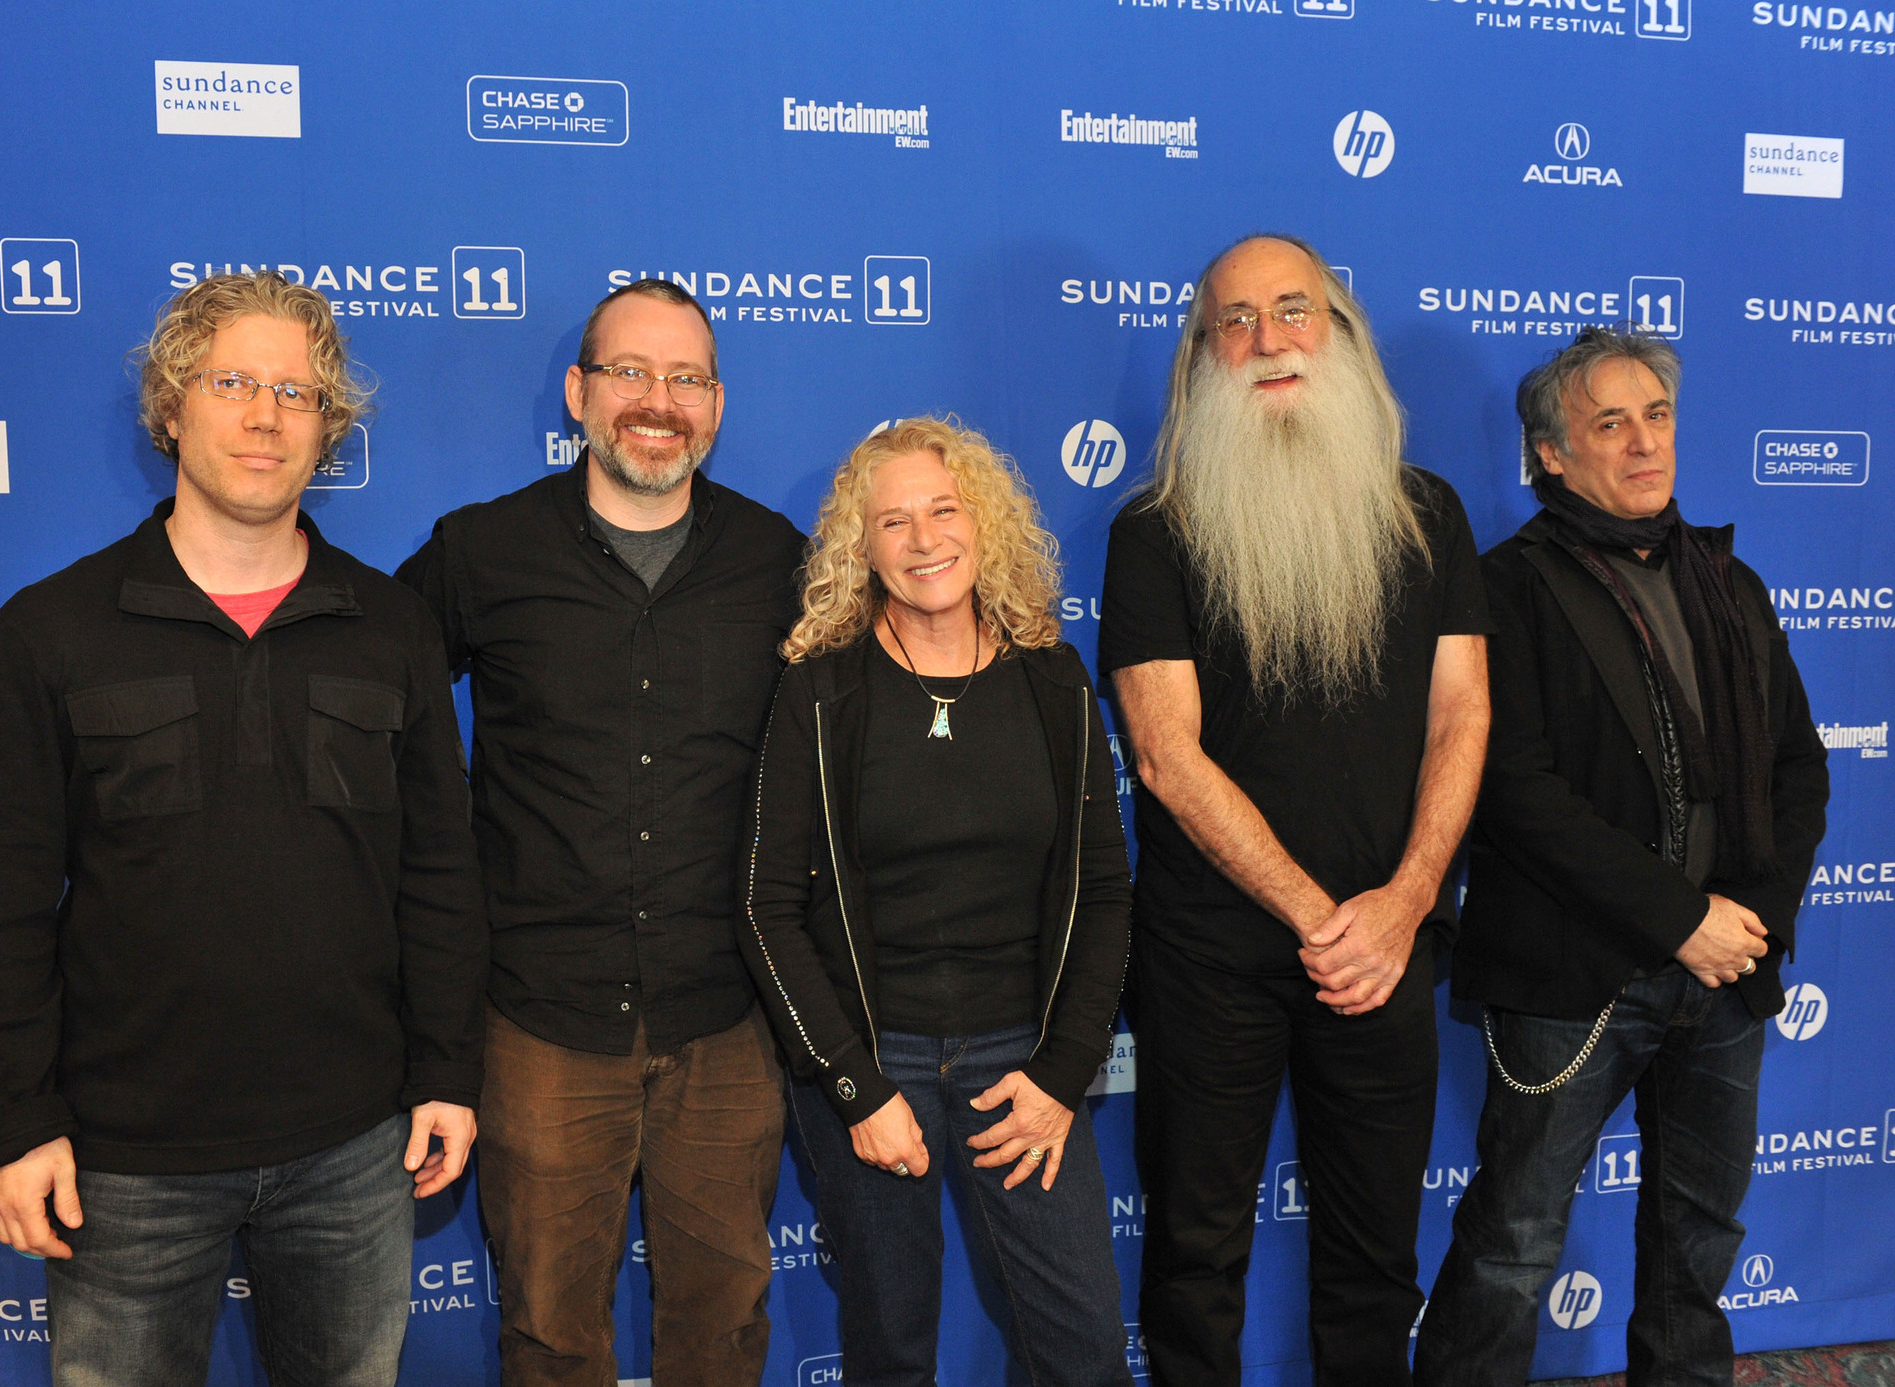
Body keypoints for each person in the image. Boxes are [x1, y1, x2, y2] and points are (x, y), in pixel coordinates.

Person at [0, 271, 488, 1386]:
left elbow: (439, 872)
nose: (264, 416)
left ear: (327, 426)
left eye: (296, 391)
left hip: (355, 1146)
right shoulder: (52, 630)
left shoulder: (389, 627)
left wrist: (446, 1069)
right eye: (233, 381)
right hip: (122, 1163)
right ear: (171, 405)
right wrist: (16, 1121)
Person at [1099, 234, 1493, 1386]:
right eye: (1232, 320)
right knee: (1191, 1253)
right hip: (1211, 959)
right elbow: (1166, 758)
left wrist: (1405, 903)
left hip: (1387, 947)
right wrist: (1328, 918)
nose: (1265, 341)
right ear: (1201, 355)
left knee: (1374, 1259)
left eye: (1291, 310)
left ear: (1341, 333)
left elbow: (1460, 718)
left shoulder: (1427, 515)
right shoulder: (1154, 530)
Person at [397, 278, 805, 1386]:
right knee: (547, 1330)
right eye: (628, 371)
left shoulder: (784, 564)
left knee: (723, 1327)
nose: (655, 400)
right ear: (579, 392)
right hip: (538, 1021)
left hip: (727, 1020)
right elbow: (370, 707)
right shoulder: (481, 553)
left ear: (715, 405)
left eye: (683, 377)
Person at [1415, 327, 1829, 1387]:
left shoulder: (1726, 581)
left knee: (1697, 1245)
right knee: (1511, 1244)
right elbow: (1513, 792)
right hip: (1572, 974)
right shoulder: (1502, 589)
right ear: (1550, 454)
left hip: (1726, 975)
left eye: (1655, 417)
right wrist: (1677, 918)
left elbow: (1798, 769)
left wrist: (1746, 920)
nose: (1642, 443)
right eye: (1609, 423)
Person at [741, 416, 1135, 1387]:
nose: (923, 541)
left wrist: (1061, 1074)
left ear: (982, 522)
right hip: (873, 1064)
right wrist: (852, 1087)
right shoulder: (820, 692)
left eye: (942, 510)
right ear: (859, 548)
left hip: (1024, 1066)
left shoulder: (1051, 679)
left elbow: (1102, 890)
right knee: (889, 1344)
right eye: (893, 522)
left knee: (1082, 1349)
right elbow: (762, 905)